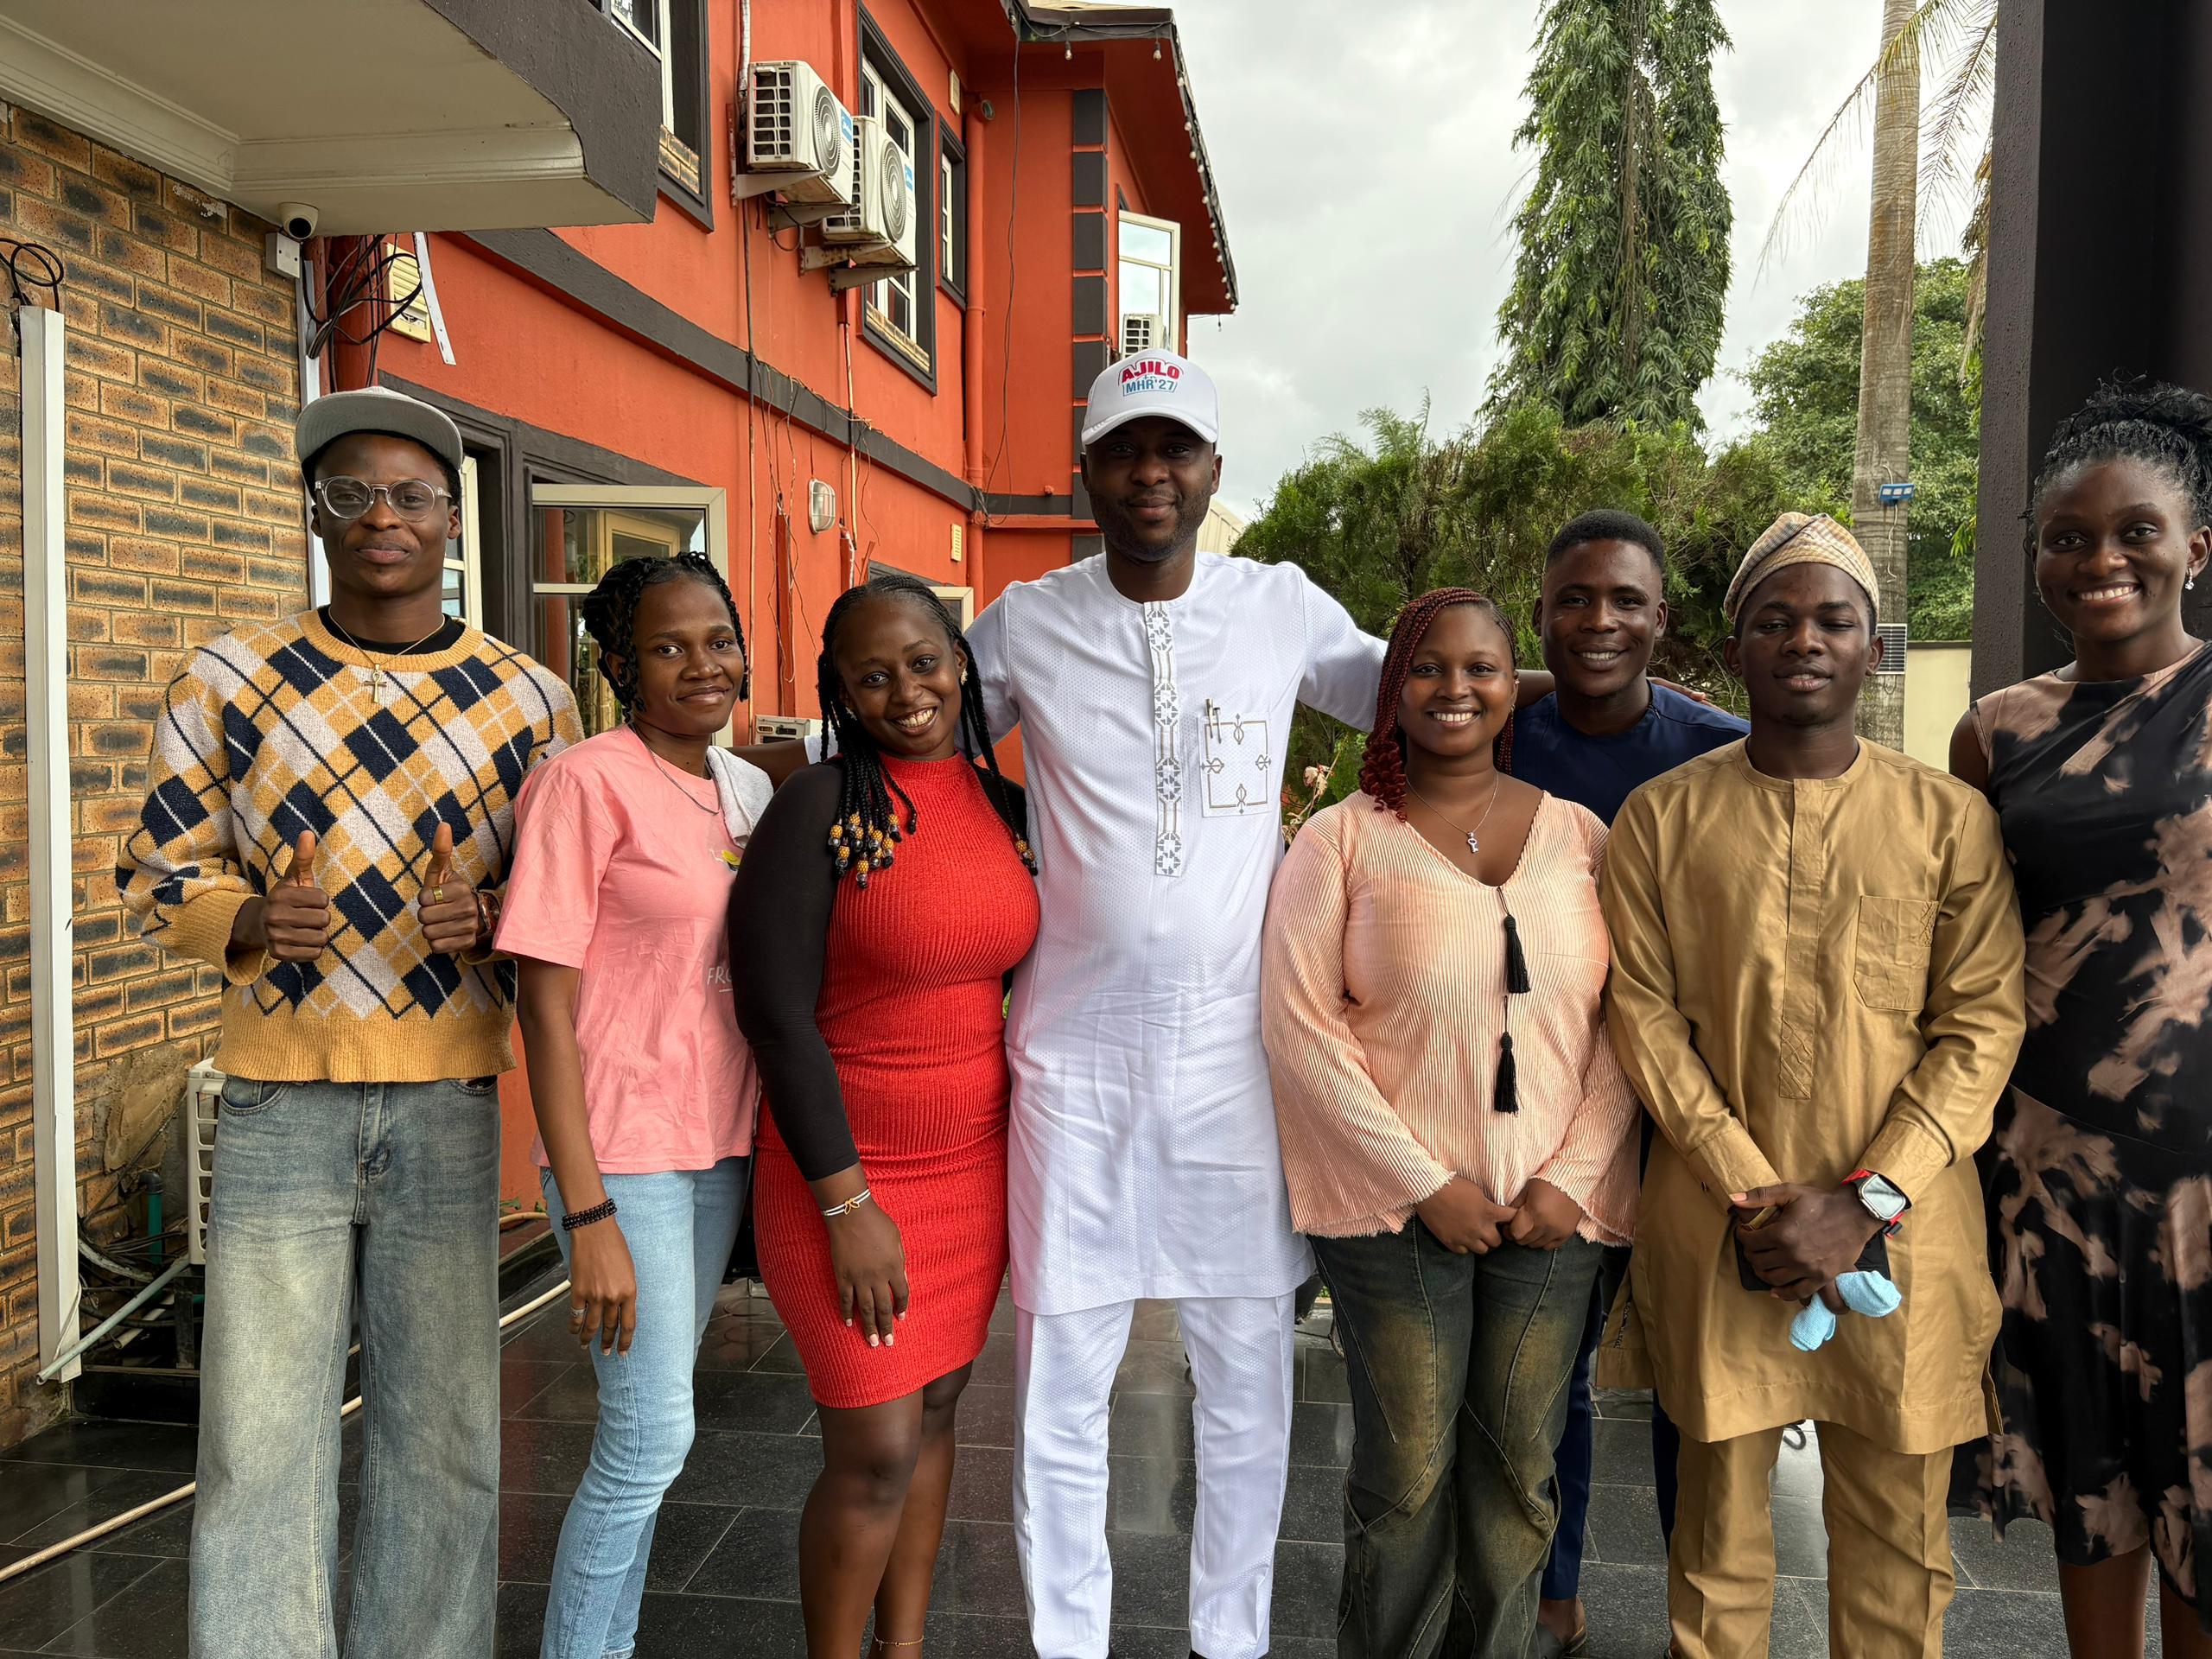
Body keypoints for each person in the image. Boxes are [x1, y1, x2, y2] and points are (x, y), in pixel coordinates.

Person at [118, 387, 582, 1657]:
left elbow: (563, 896)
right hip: (275, 1103)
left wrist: (485, 915)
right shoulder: (228, 675)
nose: (384, 516)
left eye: (412, 495)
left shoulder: (530, 701)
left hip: (448, 1102)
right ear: (316, 514)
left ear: (452, 518)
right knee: (258, 1442)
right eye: (352, 494)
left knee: (445, 1436)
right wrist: (257, 920)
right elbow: (156, 867)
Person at [966, 349, 1383, 1659]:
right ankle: (1069, 1645)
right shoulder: (1026, 620)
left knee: (1249, 1386)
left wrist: (1642, 717)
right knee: (1057, 1396)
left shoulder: (1278, 607)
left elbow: (1433, 692)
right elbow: (902, 718)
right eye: (1125, 451)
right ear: (1087, 471)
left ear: (1213, 472)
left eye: (1177, 451)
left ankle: (1231, 1642)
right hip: (1070, 1064)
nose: (1152, 474)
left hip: (1233, 1064)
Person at [1599, 512, 2025, 1659]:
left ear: (1872, 647)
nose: (1805, 640)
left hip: (1907, 1233)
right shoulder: (1662, 820)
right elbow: (1643, 1020)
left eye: (1834, 618)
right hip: (1719, 1225)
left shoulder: (1950, 822)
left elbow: (1982, 1024)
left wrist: (1865, 1200)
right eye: (1775, 619)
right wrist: (1758, 1196)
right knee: (1716, 1543)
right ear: (1734, 648)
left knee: (1898, 1550)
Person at [1262, 588, 1640, 1658]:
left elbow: (1628, 1022)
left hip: (1551, 1215)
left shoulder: (1578, 837)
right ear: (1392, 692)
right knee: (1406, 1475)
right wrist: (1424, 1180)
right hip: (1392, 1218)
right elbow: (1299, 1028)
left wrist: (1573, 1174)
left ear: (1510, 685)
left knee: (1520, 1471)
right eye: (1427, 668)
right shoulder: (1339, 842)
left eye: (1480, 667)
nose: (1454, 688)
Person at [729, 574, 1039, 1659]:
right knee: (874, 1447)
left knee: (941, 1408)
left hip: (973, 1166)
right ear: (840, 693)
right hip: (844, 1174)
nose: (905, 691)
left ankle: (901, 1650)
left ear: (961, 660)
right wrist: (847, 1203)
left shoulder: (1002, 806)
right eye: (872, 675)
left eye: (922, 660)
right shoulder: (821, 807)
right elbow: (774, 1017)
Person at [1950, 379, 2212, 1658]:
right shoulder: (1996, 733)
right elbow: (1961, 952)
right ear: (2036, 556)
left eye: (2135, 533)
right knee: (2088, 1506)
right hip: (2046, 1179)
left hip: (2207, 1191)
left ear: (2195, 547)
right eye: (2068, 536)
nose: (2100, 559)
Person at [497, 552, 770, 1659]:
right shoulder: (582, 782)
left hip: (720, 1149)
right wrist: (591, 1211)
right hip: (624, 1157)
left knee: (654, 1436)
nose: (701, 664)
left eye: (717, 640)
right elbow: (541, 1003)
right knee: (648, 1437)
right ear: (620, 666)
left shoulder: (743, 788)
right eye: (667, 646)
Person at [1511, 511, 1746, 1656]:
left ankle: (1696, 1611)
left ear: (1664, 618)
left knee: (1692, 1385)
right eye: (1573, 600)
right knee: (1546, 1377)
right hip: (1542, 1119)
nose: (1597, 621)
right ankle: (1552, 1597)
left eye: (1624, 602)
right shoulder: (1499, 730)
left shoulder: (1724, 750)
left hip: (1685, 1116)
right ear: (1541, 613)